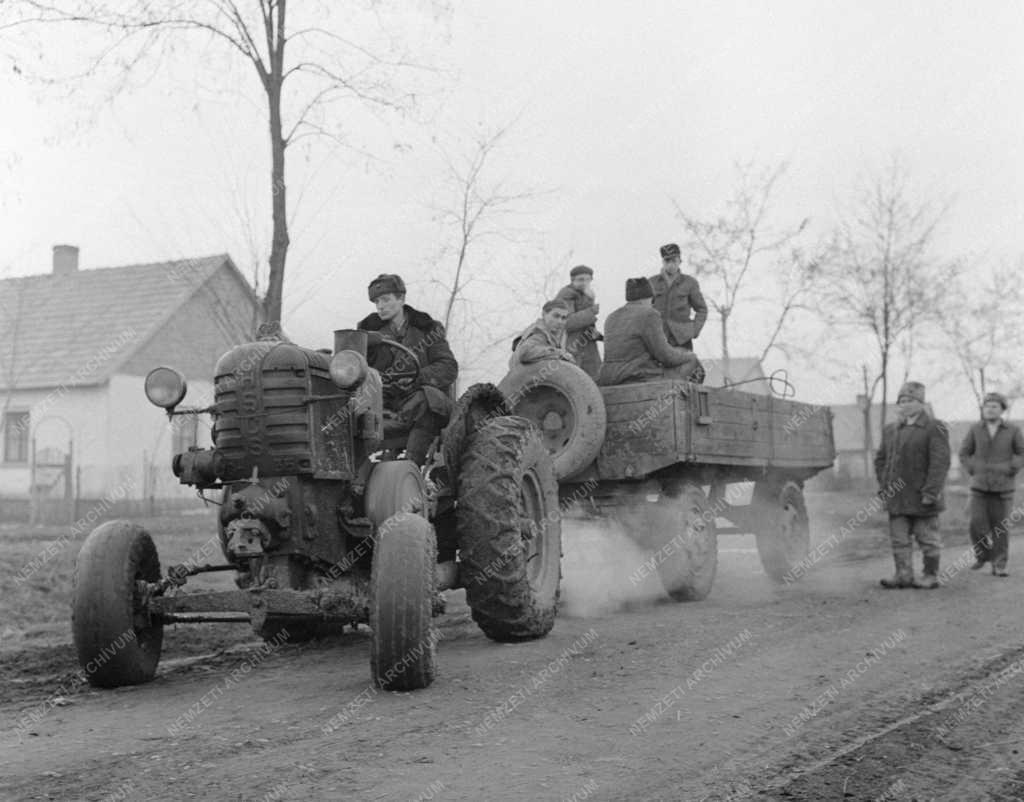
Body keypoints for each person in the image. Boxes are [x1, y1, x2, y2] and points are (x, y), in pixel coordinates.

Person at [357, 273, 458, 466]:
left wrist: (416, 379)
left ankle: (411, 469)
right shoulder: (368, 334)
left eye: (386, 299)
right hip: (386, 404)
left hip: (426, 403)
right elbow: (358, 371)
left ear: (401, 299)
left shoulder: (428, 329)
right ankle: (359, 480)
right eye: (377, 301)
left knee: (425, 399)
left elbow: (448, 367)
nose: (380, 306)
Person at [874, 381, 951, 589]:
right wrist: (885, 485)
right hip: (896, 497)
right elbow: (881, 460)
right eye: (901, 401)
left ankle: (930, 575)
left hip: (922, 496)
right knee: (899, 539)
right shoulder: (891, 430)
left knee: (928, 540)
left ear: (921, 403)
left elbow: (940, 462)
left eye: (910, 400)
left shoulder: (935, 427)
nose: (904, 405)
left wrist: (931, 492)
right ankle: (903, 574)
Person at [958, 392, 1024, 577]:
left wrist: (1012, 468)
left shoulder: (1013, 430)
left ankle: (1000, 564)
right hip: (979, 486)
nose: (990, 409)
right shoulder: (975, 429)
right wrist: (974, 469)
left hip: (1003, 487)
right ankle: (983, 554)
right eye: (987, 406)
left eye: (994, 406)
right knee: (975, 523)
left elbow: (1021, 453)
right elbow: (964, 453)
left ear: (1002, 410)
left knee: (1000, 527)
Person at [597, 277, 700, 386]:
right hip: (636, 376)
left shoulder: (611, 317)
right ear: (648, 298)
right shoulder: (649, 314)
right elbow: (666, 356)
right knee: (692, 363)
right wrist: (689, 355)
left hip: (608, 378)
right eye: (652, 301)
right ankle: (682, 402)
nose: (652, 304)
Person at [649, 243, 708, 350]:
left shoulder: (689, 283)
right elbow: (644, 310)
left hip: (682, 339)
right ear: (662, 262)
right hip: (658, 339)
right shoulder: (652, 283)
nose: (671, 265)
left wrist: (694, 330)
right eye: (667, 261)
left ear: (680, 261)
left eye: (674, 261)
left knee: (686, 366)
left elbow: (702, 309)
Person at [554, 265, 602, 379]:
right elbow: (567, 322)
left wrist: (596, 334)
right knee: (578, 381)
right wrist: (591, 311)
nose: (584, 283)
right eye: (580, 279)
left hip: (586, 345)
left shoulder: (585, 294)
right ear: (572, 280)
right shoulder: (566, 294)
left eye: (588, 279)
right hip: (573, 347)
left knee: (594, 381)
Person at [510, 299, 577, 368]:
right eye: (556, 316)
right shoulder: (539, 333)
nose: (560, 321)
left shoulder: (554, 335)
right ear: (544, 314)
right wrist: (559, 353)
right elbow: (525, 352)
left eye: (563, 318)